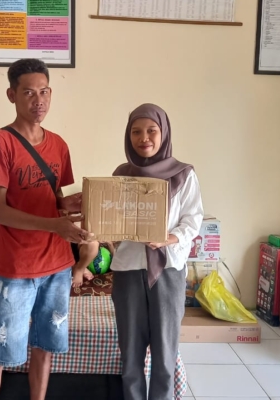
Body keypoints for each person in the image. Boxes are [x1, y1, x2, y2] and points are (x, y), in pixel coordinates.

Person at [0, 58, 91, 400]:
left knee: (45, 346)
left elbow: (53, 198)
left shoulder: (58, 145)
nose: (38, 100)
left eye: (44, 91)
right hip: (15, 267)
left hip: (57, 266)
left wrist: (69, 205)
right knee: (0, 354)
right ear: (11, 95)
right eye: (28, 92)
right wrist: (54, 224)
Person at [111, 103, 204, 400]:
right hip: (128, 269)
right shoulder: (121, 175)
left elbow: (193, 220)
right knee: (130, 355)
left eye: (152, 130)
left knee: (165, 355)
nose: (144, 138)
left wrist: (169, 238)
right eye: (136, 132)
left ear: (164, 133)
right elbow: (112, 216)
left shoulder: (184, 174)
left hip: (168, 270)